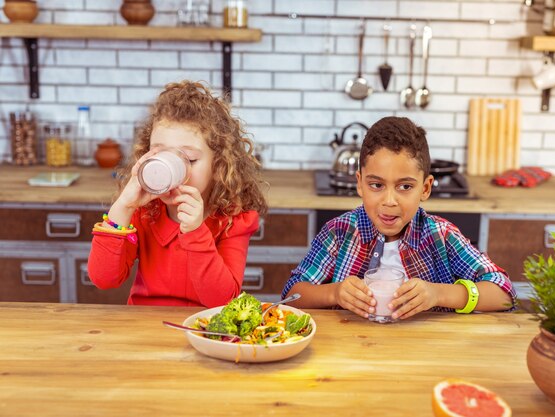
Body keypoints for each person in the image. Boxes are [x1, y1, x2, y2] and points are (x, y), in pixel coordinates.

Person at [282, 116, 515, 319]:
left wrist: (439, 294)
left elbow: (504, 293)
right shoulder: (338, 233)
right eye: (376, 185)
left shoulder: (441, 236)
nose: (389, 200)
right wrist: (334, 293)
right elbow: (291, 296)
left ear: (425, 188)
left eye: (405, 186)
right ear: (359, 184)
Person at [88, 80, 267, 307]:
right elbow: (104, 279)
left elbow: (222, 300)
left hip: (204, 330)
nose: (170, 169)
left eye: (190, 159)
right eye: (160, 154)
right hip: (145, 328)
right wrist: (123, 206)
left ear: (219, 165)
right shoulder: (144, 211)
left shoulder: (234, 219)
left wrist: (195, 231)